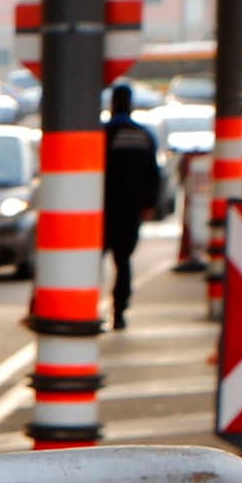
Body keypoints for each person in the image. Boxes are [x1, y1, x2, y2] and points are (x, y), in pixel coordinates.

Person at [101, 83, 162, 330]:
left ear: (112, 105)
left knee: (93, 260)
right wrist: (149, 204)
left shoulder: (104, 134)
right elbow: (153, 174)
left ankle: (86, 307)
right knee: (123, 260)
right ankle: (119, 311)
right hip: (131, 209)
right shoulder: (143, 136)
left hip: (103, 209)